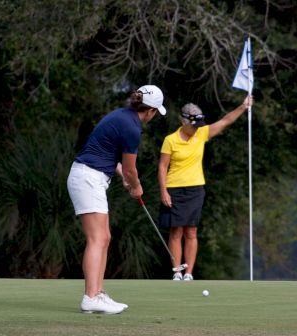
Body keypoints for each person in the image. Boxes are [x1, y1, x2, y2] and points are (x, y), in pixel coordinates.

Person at [67, 85, 167, 314]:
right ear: (150, 111)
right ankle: (91, 297)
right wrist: (136, 186)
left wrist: (123, 176)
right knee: (97, 238)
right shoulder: (132, 127)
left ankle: (97, 294)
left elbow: (112, 157)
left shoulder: (121, 116)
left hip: (92, 176)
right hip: (88, 178)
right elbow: (131, 169)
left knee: (104, 237)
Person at [158, 95, 253, 281]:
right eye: (193, 125)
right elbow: (162, 167)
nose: (195, 129)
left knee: (191, 231)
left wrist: (243, 107)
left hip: (195, 189)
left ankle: (189, 273)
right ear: (183, 121)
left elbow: (225, 121)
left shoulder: (201, 134)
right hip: (174, 189)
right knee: (176, 231)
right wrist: (163, 191)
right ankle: (176, 271)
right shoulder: (170, 140)